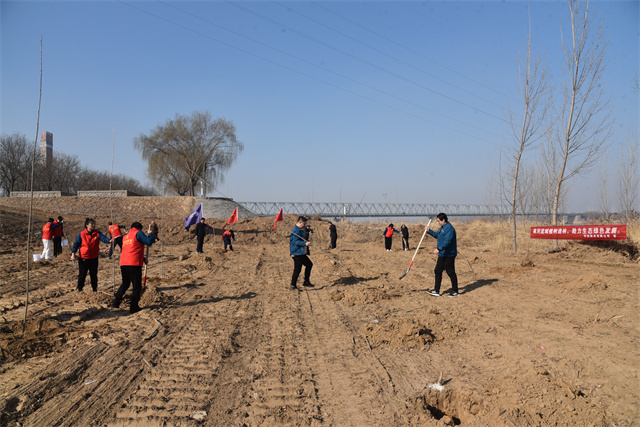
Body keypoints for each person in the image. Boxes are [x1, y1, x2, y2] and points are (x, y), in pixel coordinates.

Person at [111, 222, 156, 314]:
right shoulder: (138, 233)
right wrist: (150, 234)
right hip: (134, 264)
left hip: (124, 263)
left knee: (125, 284)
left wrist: (143, 259)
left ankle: (116, 303)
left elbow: (131, 249)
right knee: (136, 286)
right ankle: (133, 307)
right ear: (139, 228)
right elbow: (149, 242)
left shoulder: (126, 237)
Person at [70, 218, 111, 292]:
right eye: (92, 224)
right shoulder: (82, 234)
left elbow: (104, 238)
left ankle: (94, 289)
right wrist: (73, 253)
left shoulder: (97, 233)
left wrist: (109, 240)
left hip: (94, 258)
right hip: (83, 258)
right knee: (82, 274)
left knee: (93, 274)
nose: (93, 225)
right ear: (87, 225)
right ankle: (80, 289)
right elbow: (76, 244)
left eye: (94, 223)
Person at [426, 213, 459, 297]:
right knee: (437, 270)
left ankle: (455, 291)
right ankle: (436, 290)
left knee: (450, 272)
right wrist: (429, 231)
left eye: (439, 221)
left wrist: (439, 248)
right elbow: (437, 235)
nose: (438, 222)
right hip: (443, 254)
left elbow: (447, 241)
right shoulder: (442, 228)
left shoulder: (450, 229)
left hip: (449, 254)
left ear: (443, 220)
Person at [289, 216, 313, 291]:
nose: (304, 225)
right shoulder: (296, 230)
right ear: (300, 222)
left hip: (301, 253)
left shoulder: (299, 230)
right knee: (297, 269)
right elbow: (295, 241)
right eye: (304, 224)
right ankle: (293, 285)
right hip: (297, 253)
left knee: (309, 264)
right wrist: (305, 244)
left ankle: (306, 282)